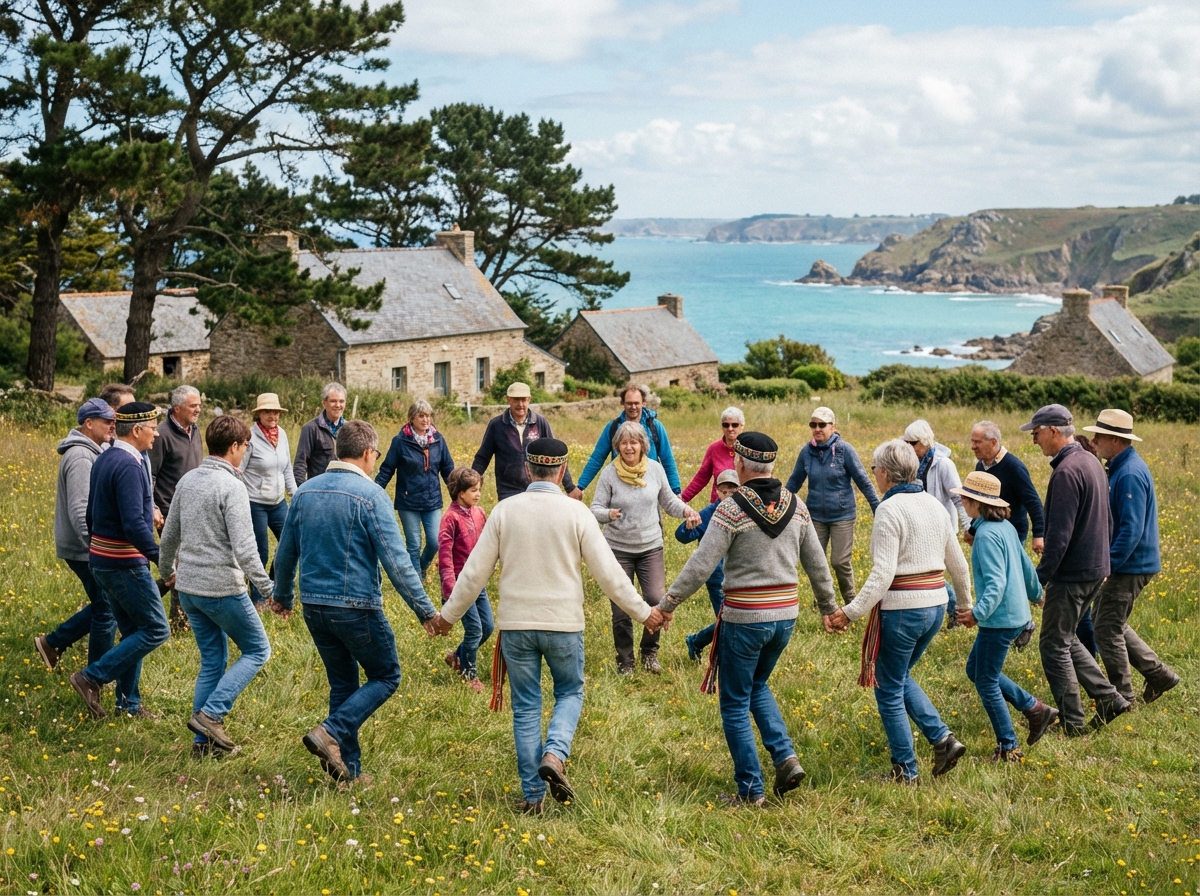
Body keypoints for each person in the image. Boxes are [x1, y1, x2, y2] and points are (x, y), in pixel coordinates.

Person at [432, 438, 657, 815]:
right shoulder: (577, 513)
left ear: (526, 468)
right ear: (562, 468)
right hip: (563, 625)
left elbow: (473, 574)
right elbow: (611, 576)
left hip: (516, 626)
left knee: (524, 707)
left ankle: (533, 796)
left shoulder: (505, 511)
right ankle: (555, 753)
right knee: (569, 692)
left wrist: (446, 618)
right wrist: (645, 613)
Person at [655, 433, 837, 807]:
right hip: (786, 616)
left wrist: (668, 603)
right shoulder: (796, 506)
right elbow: (817, 563)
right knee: (758, 685)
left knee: (735, 701)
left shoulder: (731, 509)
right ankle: (786, 758)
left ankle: (750, 790)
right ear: (770, 465)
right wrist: (828, 607)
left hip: (744, 617)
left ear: (739, 465)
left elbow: (701, 565)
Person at [273, 420, 440, 784]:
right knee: (386, 674)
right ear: (367, 454)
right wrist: (426, 610)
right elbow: (398, 562)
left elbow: (285, 554)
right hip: (356, 607)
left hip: (314, 607)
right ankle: (330, 731)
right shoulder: (371, 496)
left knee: (343, 685)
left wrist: (283, 597)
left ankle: (347, 770)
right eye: (376, 456)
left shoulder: (304, 492)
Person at [827, 439, 972, 784]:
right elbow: (959, 565)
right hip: (936, 606)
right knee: (899, 675)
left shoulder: (889, 511)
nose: (874, 473)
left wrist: (849, 612)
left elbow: (882, 575)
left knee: (888, 686)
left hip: (904, 609)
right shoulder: (935, 506)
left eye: (875, 467)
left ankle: (906, 770)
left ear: (886, 473)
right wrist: (964, 605)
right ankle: (942, 740)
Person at [159, 415, 275, 757]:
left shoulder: (189, 480)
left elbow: (168, 537)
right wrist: (269, 590)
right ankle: (212, 714)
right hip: (221, 589)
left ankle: (202, 746)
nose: (245, 453)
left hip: (190, 589)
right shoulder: (232, 486)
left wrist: (169, 573)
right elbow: (246, 548)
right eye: (245, 447)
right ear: (235, 447)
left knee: (213, 661)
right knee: (258, 650)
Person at [1021, 404, 1131, 735]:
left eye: (1036, 434)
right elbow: (1108, 521)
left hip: (1072, 577)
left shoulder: (1067, 472)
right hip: (1095, 571)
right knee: (1067, 640)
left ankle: (1073, 722)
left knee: (1053, 645)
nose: (1035, 441)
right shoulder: (1090, 462)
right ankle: (1109, 697)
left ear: (1054, 431)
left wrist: (1037, 581)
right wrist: (1105, 564)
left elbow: (1059, 538)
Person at [68, 403, 171, 720]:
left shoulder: (106, 457)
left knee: (133, 631)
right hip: (124, 564)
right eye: (153, 426)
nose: (157, 432)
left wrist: (98, 548)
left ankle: (128, 704)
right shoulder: (127, 464)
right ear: (137, 430)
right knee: (155, 629)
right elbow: (134, 525)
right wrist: (161, 559)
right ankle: (92, 677)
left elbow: (91, 514)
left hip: (102, 561)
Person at [950, 472, 1059, 761]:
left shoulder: (985, 536)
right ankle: (1036, 709)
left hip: (999, 620)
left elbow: (996, 583)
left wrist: (976, 613)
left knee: (985, 680)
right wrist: (1036, 594)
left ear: (977, 503)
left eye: (965, 497)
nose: (962, 501)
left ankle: (1008, 746)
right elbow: (1025, 565)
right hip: (1014, 616)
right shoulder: (1006, 528)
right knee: (976, 670)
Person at [1082, 409, 1180, 705]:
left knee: (1106, 627)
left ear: (1115, 439)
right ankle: (1159, 675)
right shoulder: (1120, 468)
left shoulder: (1129, 473)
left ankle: (1122, 695)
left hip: (1130, 565)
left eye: (1099, 436)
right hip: (1131, 563)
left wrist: (1107, 565)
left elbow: (1131, 530)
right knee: (1108, 619)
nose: (1095, 440)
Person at [590, 421, 701, 674]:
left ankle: (650, 653)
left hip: (650, 547)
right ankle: (625, 661)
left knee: (655, 600)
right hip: (617, 549)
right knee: (621, 607)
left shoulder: (655, 470)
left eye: (634, 442)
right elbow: (595, 509)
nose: (629, 447)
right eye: (624, 442)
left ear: (643, 445)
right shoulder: (609, 473)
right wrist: (609, 514)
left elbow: (669, 501)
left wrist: (686, 510)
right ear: (617, 446)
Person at [34, 399, 118, 671]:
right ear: (89, 423)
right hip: (85, 548)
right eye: (107, 422)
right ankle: (94, 677)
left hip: (87, 546)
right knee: (107, 608)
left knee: (105, 604)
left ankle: (53, 643)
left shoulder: (93, 451)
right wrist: (97, 550)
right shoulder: (81, 457)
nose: (112, 426)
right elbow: (81, 510)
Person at [785, 406, 879, 606]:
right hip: (815, 516)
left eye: (822, 425)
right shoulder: (806, 452)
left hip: (842, 515)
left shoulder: (845, 450)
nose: (817, 429)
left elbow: (863, 480)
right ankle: (824, 602)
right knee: (815, 563)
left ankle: (850, 601)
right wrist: (779, 505)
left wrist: (876, 507)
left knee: (839, 562)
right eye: (813, 425)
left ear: (832, 426)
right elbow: (794, 482)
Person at [968, 420, 1046, 648]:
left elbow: (1033, 501)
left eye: (977, 441)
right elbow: (980, 503)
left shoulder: (1014, 467)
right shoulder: (981, 466)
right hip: (989, 531)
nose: (972, 446)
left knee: (1008, 577)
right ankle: (1013, 621)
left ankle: (1020, 622)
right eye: (971, 441)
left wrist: (1038, 534)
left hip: (1012, 531)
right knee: (1003, 577)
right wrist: (973, 529)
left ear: (993, 442)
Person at [376, 399, 455, 578]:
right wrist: (374, 490)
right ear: (412, 418)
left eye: (428, 415)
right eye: (421, 416)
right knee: (413, 544)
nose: (426, 419)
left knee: (435, 542)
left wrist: (458, 492)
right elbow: (387, 469)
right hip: (408, 501)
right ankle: (416, 581)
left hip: (432, 500)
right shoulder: (400, 441)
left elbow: (448, 468)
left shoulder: (438, 440)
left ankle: (422, 566)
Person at [903, 419, 969, 626]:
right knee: (929, 571)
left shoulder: (944, 464)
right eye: (906, 443)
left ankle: (957, 610)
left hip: (941, 528)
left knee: (937, 572)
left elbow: (959, 497)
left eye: (912, 443)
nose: (908, 447)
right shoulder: (909, 464)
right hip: (919, 527)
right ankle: (954, 610)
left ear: (924, 442)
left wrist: (968, 526)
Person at [149, 384, 203, 630]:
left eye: (199, 405)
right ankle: (180, 622)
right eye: (194, 406)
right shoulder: (161, 435)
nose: (198, 409)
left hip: (195, 510)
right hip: (170, 511)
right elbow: (150, 476)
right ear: (177, 408)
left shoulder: (196, 430)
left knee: (190, 565)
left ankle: (177, 613)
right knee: (181, 567)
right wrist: (153, 507)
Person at [437, 467, 494, 691]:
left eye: (479, 489)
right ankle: (469, 674)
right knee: (474, 630)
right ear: (460, 492)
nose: (478, 494)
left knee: (487, 627)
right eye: (473, 490)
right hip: (460, 585)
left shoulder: (479, 513)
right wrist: (450, 588)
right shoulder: (450, 519)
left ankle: (457, 656)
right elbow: (445, 557)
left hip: (477, 581)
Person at [677, 468, 742, 663]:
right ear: (717, 492)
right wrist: (688, 526)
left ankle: (697, 641)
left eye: (734, 491)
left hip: (740, 575)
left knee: (732, 619)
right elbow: (682, 537)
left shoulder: (746, 512)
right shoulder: (709, 513)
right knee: (726, 620)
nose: (729, 495)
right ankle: (721, 656)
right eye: (724, 491)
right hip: (716, 577)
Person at [472, 382, 577, 500]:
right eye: (516, 400)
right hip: (508, 491)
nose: (520, 404)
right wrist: (469, 483)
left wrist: (570, 487)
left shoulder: (540, 423)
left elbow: (556, 455)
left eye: (524, 400)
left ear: (529, 400)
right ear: (508, 399)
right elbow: (483, 457)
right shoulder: (496, 425)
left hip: (538, 488)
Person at [239, 392, 297, 608]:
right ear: (259, 414)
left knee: (290, 545)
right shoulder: (250, 437)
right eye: (267, 411)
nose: (272, 415)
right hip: (255, 503)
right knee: (260, 552)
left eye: (275, 412)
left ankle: (275, 587)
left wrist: (295, 493)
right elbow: (239, 471)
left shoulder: (281, 434)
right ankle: (259, 598)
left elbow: (287, 468)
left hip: (278, 502)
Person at [575, 384, 681, 496]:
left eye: (636, 403)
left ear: (643, 403)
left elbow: (667, 459)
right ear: (622, 403)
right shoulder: (613, 428)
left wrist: (676, 490)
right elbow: (597, 458)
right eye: (629, 403)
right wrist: (581, 486)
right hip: (620, 487)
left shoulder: (655, 427)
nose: (633, 407)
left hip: (650, 487)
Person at [680, 406, 744, 504]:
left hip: (743, 505)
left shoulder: (749, 449)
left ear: (742, 426)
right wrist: (683, 498)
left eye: (734, 425)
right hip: (718, 505)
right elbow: (701, 477)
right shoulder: (714, 448)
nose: (730, 428)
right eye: (726, 425)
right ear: (722, 427)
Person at [293, 382, 346, 485]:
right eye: (333, 401)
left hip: (343, 490)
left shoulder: (348, 429)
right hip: (319, 491)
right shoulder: (310, 428)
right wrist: (302, 491)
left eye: (341, 401)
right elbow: (300, 463)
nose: (338, 405)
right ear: (324, 403)